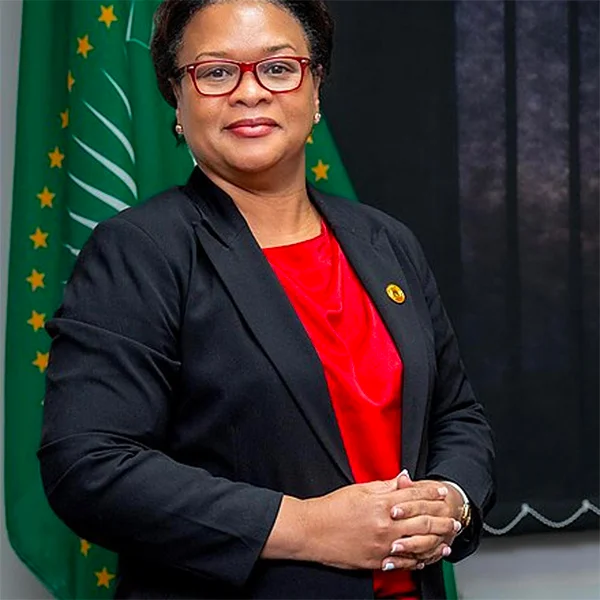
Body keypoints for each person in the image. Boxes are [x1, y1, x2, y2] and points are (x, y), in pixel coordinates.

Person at [38, 1, 496, 598]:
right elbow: (88, 464)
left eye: (278, 68)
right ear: (177, 97)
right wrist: (305, 527)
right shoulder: (139, 251)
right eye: (216, 72)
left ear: (315, 87)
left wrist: (451, 500)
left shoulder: (385, 241)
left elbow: (457, 416)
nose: (250, 92)